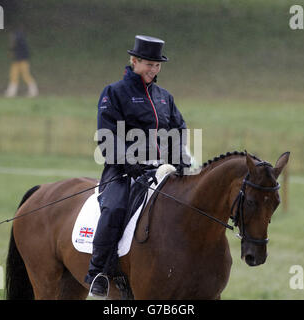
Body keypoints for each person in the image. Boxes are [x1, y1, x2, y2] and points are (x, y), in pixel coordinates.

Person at [85, 35, 190, 297]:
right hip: (122, 172)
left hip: (161, 171)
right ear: (134, 61)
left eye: (157, 65)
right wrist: (128, 162)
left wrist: (179, 159)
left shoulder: (164, 97)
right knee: (116, 208)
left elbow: (178, 129)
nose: (153, 70)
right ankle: (98, 271)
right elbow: (107, 134)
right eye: (148, 64)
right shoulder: (114, 92)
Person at [4, 27, 39, 98]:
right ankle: (12, 92)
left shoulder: (19, 42)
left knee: (25, 75)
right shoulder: (21, 42)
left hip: (21, 61)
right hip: (18, 61)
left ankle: (33, 91)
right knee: (14, 76)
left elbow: (16, 51)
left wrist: (12, 49)